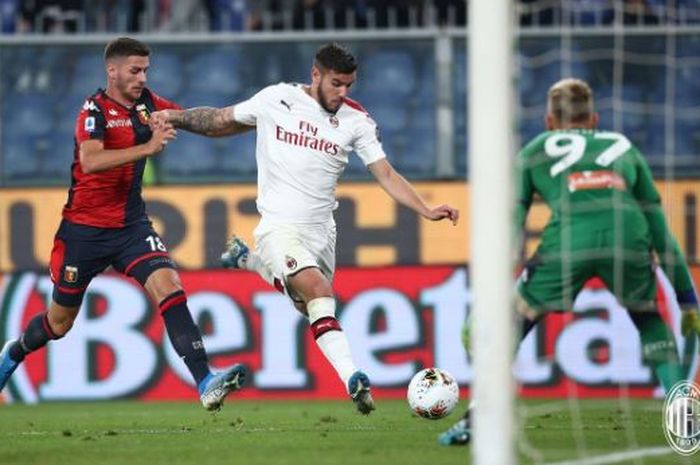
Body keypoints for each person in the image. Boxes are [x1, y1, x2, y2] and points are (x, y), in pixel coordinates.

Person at [149, 42, 459, 414]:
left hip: (321, 233)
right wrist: (174, 117)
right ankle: (353, 377)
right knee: (317, 289)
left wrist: (425, 209)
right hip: (279, 227)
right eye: (336, 84)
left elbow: (386, 174)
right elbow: (219, 120)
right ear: (315, 75)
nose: (343, 92)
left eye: (349, 85)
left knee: (308, 304)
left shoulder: (357, 121)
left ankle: (247, 261)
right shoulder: (277, 99)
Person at [439, 77, 700, 445]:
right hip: (629, 234)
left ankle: (479, 415)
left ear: (549, 121)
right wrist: (687, 299)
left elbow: (510, 226)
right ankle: (682, 414)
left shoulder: (535, 149)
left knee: (516, 319)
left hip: (569, 242)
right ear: (594, 119)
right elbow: (661, 229)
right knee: (649, 319)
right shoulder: (621, 145)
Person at [0, 37, 247, 411]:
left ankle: (205, 380)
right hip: (83, 232)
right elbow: (91, 160)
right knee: (60, 323)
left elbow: (209, 124)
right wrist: (148, 148)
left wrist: (254, 117)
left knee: (170, 285)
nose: (142, 77)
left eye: (146, 70)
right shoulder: (93, 110)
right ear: (111, 71)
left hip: (132, 227)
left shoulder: (148, 105)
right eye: (135, 70)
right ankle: (15, 350)